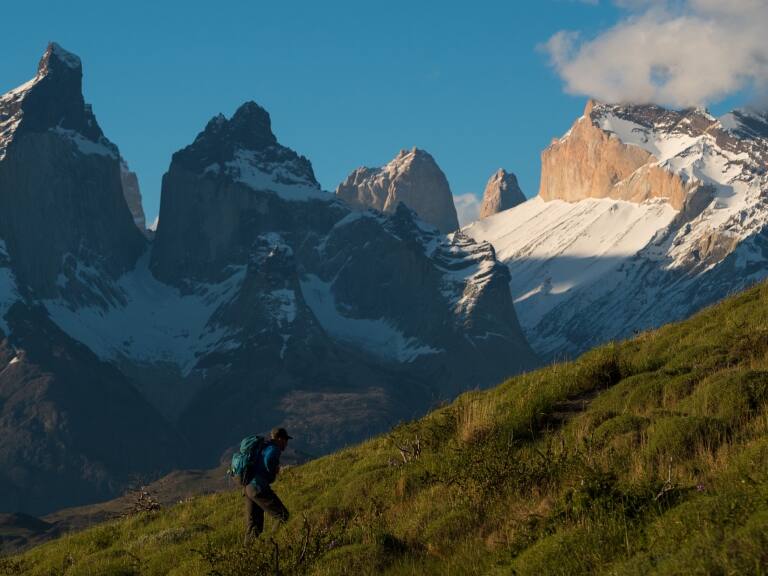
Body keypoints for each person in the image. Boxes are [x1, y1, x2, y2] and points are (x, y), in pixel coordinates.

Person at [243, 427, 292, 544]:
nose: (286, 443)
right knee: (282, 515)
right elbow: (269, 460)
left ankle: (247, 553)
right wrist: (273, 470)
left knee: (254, 525)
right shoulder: (274, 448)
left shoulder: (263, 446)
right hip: (258, 487)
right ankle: (270, 543)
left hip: (248, 487)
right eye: (286, 440)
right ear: (280, 439)